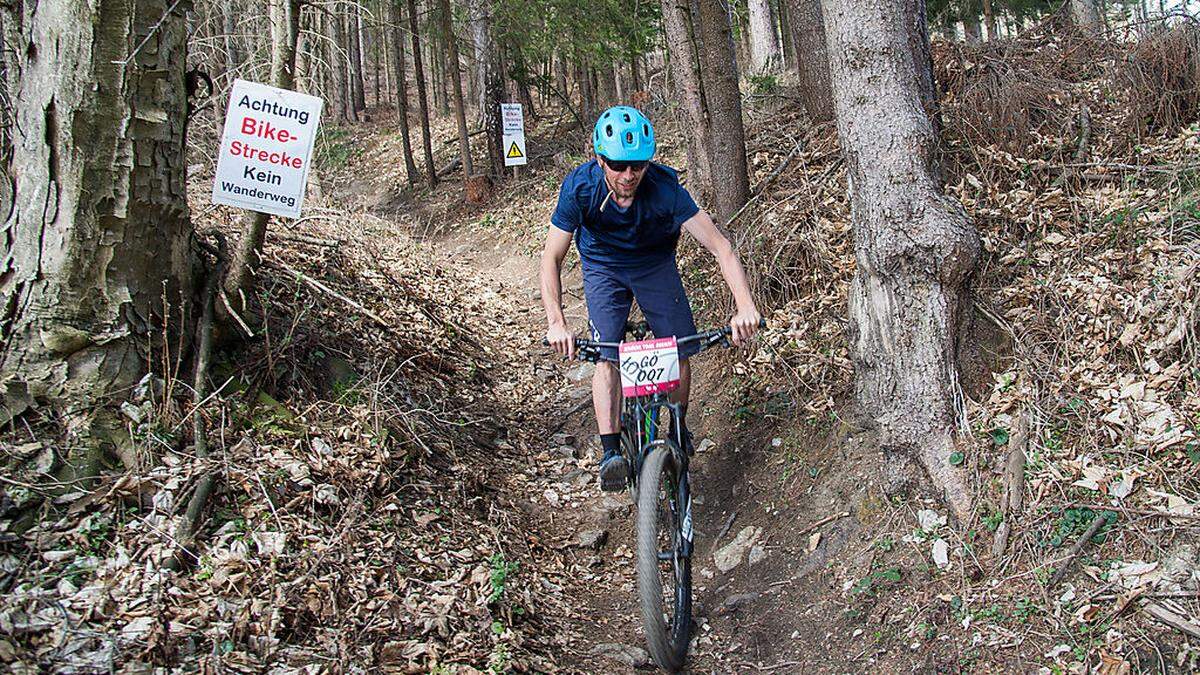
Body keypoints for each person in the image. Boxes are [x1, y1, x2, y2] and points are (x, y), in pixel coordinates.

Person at [540, 105, 762, 491]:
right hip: (603, 265)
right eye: (617, 165)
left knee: (680, 347)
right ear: (599, 159)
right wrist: (556, 321)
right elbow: (552, 256)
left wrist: (745, 305)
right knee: (607, 352)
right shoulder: (580, 188)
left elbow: (721, 248)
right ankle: (611, 451)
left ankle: (678, 425)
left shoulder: (665, 189)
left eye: (638, 166)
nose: (629, 175)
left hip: (654, 263)